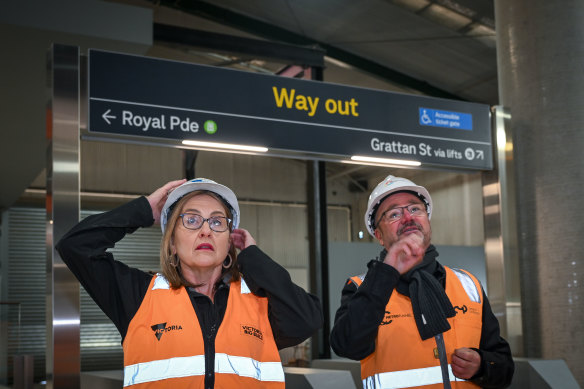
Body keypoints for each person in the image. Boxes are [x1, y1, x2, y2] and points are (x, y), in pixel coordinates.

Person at [56, 178, 323, 388]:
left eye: (217, 222)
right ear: (172, 242)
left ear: (229, 240)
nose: (206, 229)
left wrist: (253, 258)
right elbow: (74, 247)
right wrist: (144, 210)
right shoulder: (138, 296)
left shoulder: (259, 302)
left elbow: (307, 319)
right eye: (192, 220)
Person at [330, 175, 514, 389]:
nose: (408, 217)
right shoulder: (362, 287)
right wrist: (387, 272)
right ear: (379, 236)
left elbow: (504, 367)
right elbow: (347, 346)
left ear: (428, 221)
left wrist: (483, 365)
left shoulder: (468, 285)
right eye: (394, 214)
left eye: (415, 209)